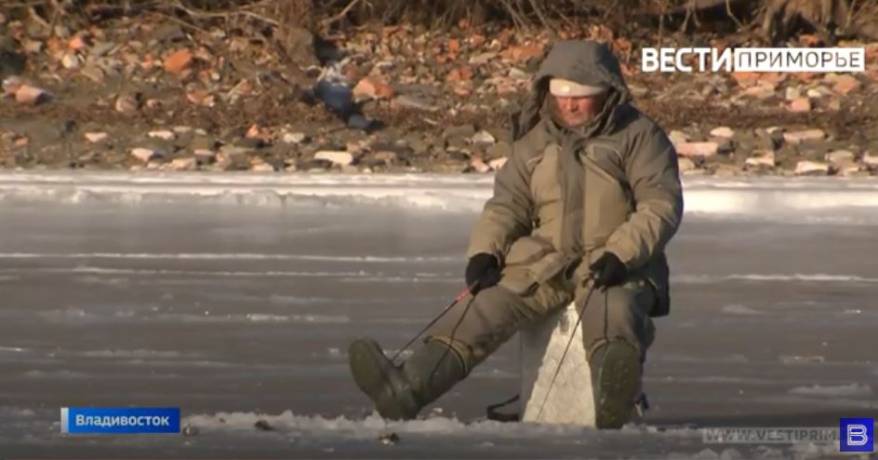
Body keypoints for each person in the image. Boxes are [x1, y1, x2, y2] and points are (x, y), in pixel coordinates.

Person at [348, 40, 684, 429]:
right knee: (480, 308)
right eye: (561, 96)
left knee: (612, 313)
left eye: (581, 97)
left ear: (607, 92)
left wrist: (621, 253)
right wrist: (485, 252)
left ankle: (612, 402)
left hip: (614, 264)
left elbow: (660, 206)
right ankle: (405, 390)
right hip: (544, 260)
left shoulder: (640, 137)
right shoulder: (536, 141)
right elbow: (508, 204)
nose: (570, 105)